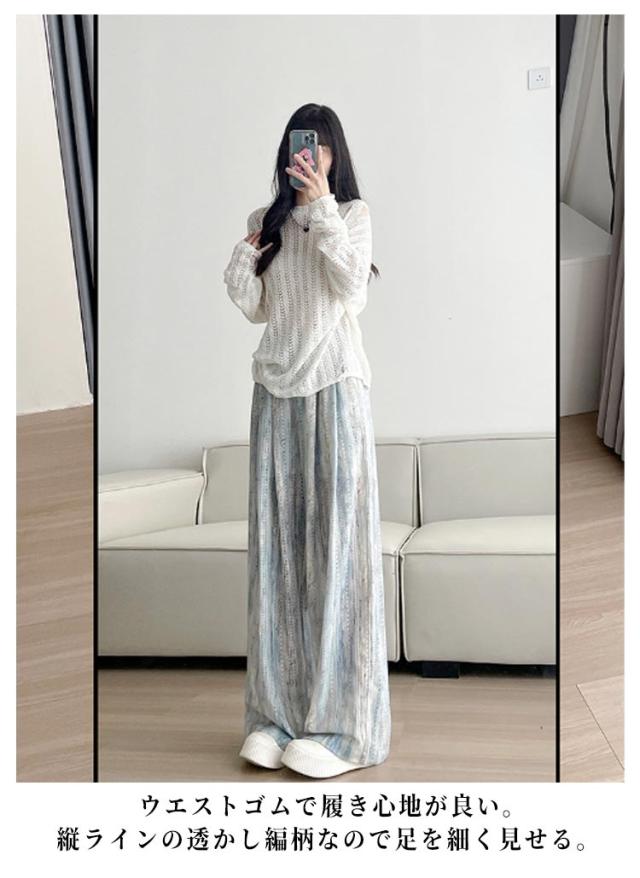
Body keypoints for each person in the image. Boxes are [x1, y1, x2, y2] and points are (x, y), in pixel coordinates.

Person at [223, 103, 391, 778]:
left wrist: (321, 208)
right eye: (300, 146)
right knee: (277, 558)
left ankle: (346, 729)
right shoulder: (266, 222)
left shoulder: (351, 215)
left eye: (318, 148)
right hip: (275, 392)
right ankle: (276, 718)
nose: (307, 157)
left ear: (332, 156)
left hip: (335, 389)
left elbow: (352, 289)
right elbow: (255, 306)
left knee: (338, 557)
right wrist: (249, 249)